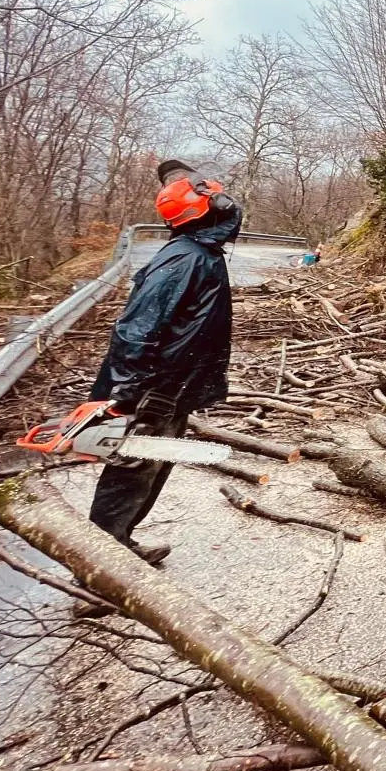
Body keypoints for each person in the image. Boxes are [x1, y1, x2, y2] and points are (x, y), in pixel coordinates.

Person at [86, 159, 242, 565]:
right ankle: (96, 573)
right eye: (215, 197)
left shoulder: (200, 251)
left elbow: (229, 219)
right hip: (153, 386)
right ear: (202, 207)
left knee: (149, 468)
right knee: (131, 470)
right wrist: (129, 392)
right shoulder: (184, 259)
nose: (226, 202)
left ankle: (118, 547)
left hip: (173, 384)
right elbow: (135, 328)